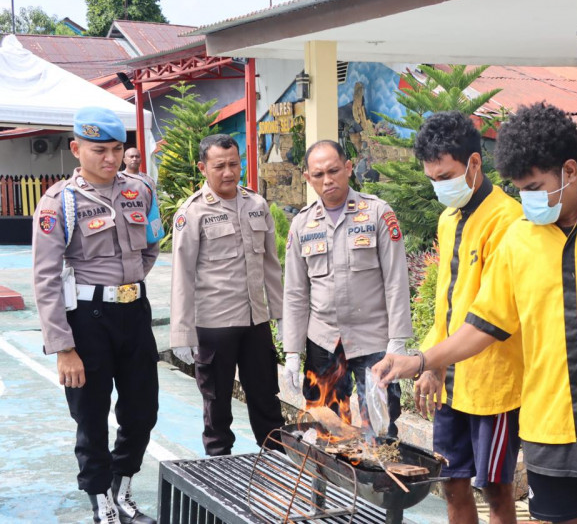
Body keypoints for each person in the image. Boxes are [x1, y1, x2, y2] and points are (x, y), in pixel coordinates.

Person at [374, 103, 577, 524]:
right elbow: (485, 325)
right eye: (519, 189)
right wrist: (423, 360)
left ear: (570, 170)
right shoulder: (519, 241)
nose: (527, 200)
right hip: (549, 432)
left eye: (534, 187)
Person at [32, 107, 161, 524]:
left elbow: (153, 241)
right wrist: (63, 347)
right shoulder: (59, 202)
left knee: (142, 409)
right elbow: (46, 277)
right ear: (76, 149)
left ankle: (122, 488)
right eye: (99, 150)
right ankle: (99, 498)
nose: (110, 158)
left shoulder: (140, 189)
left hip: (134, 313)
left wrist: (133, 278)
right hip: (88, 320)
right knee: (90, 414)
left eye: (117, 149)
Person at [413, 111, 524, 524]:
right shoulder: (449, 219)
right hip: (450, 383)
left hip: (491, 382)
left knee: (495, 489)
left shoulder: (508, 220)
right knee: (451, 480)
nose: (439, 186)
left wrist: (432, 359)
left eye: (446, 176)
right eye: (432, 178)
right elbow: (447, 300)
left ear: (474, 163)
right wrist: (433, 362)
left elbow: (492, 315)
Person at [282, 139, 412, 437]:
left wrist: (398, 340)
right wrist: (291, 351)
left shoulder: (377, 213)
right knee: (325, 427)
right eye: (318, 175)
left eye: (334, 170)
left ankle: (375, 484)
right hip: (323, 341)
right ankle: (324, 483)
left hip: (373, 340)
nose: (327, 180)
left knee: (379, 429)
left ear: (349, 168)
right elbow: (295, 293)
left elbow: (396, 281)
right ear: (308, 178)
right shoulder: (302, 224)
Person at [169, 134, 285, 454]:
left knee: (266, 400)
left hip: (255, 322)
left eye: (234, 164)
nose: (228, 172)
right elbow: (182, 275)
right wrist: (182, 333)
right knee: (217, 406)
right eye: (219, 166)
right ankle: (219, 469)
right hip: (214, 325)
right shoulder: (192, 212)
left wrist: (281, 316)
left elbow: (271, 266)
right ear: (203, 168)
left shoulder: (257, 205)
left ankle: (276, 465)